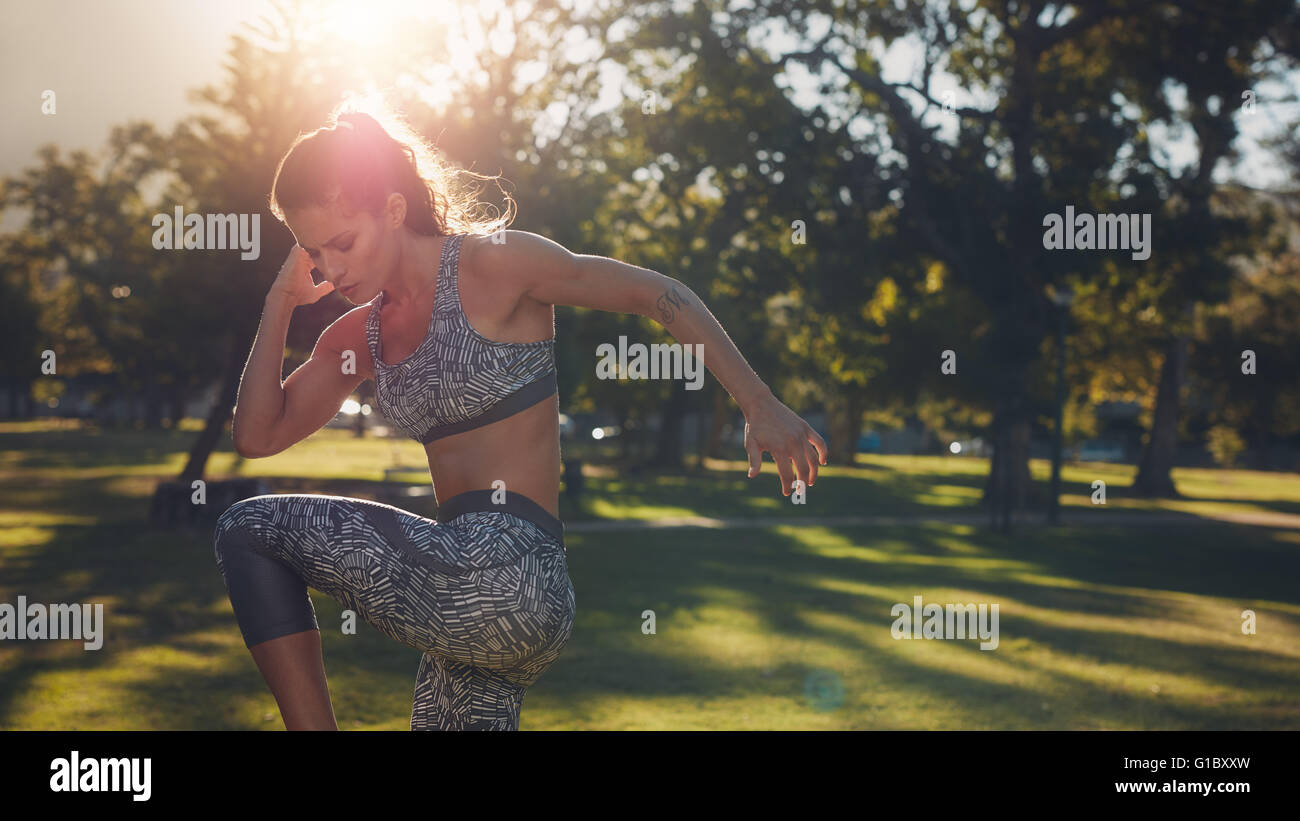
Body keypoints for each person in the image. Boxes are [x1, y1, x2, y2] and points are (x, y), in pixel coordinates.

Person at [212, 104, 827, 731]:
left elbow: (654, 293)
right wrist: (282, 301)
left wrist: (758, 403)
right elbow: (259, 435)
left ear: (394, 211)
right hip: (471, 600)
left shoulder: (491, 266)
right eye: (313, 251)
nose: (332, 268)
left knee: (248, 528)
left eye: (343, 242)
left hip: (512, 571)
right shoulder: (358, 337)